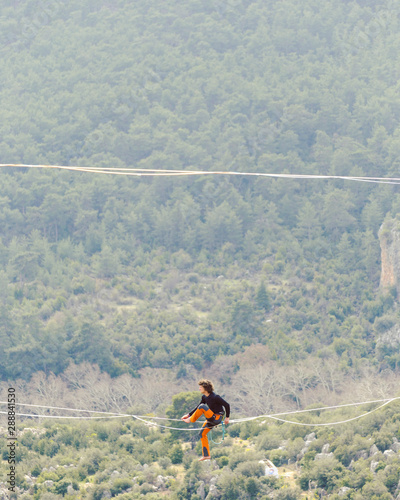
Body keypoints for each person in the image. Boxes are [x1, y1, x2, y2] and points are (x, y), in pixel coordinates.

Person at [181, 379, 230, 461]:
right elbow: (198, 407)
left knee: (202, 406)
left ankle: (190, 420)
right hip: (211, 418)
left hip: (216, 418)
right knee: (202, 434)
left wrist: (227, 417)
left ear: (206, 388)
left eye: (200, 387)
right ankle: (206, 455)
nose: (199, 389)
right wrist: (188, 414)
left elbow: (227, 405)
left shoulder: (215, 397)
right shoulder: (204, 397)